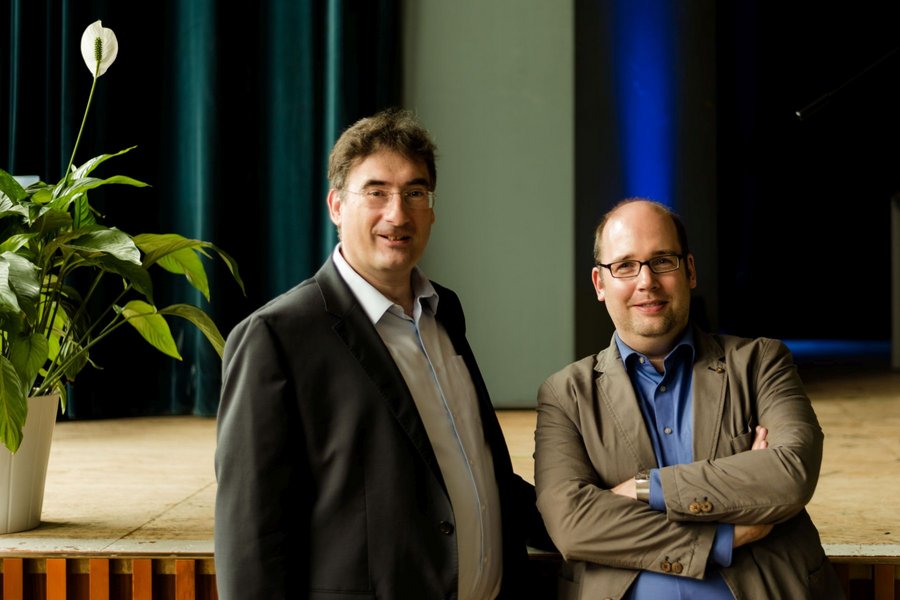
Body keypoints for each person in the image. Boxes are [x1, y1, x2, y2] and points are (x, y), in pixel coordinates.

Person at [214, 108, 544, 599]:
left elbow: (475, 469)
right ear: (336, 206)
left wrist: (588, 511)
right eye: (376, 192)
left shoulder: (444, 311)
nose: (398, 214)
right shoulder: (275, 337)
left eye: (414, 193)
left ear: (432, 209)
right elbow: (251, 541)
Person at [534, 198, 842, 599]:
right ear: (600, 284)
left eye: (663, 261)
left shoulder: (761, 362)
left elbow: (791, 474)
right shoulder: (565, 395)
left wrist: (646, 488)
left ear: (690, 270)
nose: (647, 281)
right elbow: (571, 524)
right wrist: (725, 535)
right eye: (625, 266)